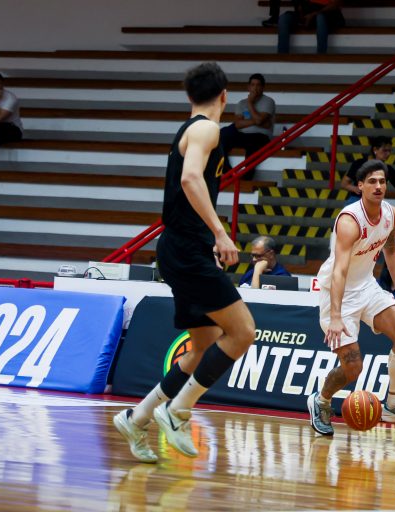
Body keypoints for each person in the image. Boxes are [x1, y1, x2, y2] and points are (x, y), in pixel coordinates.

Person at [113, 63, 256, 462]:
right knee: (243, 332)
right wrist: (220, 233)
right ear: (224, 95)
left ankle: (137, 417)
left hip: (180, 247)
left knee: (203, 344)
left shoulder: (189, 129)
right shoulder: (207, 129)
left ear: (189, 95)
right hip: (187, 248)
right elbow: (191, 179)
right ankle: (178, 411)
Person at [309, 159, 395, 436]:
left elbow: (391, 249)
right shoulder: (349, 221)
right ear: (360, 186)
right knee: (353, 369)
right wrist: (336, 317)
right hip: (338, 293)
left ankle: (394, 404)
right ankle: (321, 400)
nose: (378, 186)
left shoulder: (391, 214)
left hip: (367, 286)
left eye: (382, 181)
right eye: (372, 182)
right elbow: (339, 271)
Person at [219, 73, 275, 180]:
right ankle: (229, 173)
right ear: (248, 87)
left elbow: (258, 120)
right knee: (221, 135)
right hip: (243, 134)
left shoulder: (268, 102)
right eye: (253, 85)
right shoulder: (241, 103)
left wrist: (250, 103)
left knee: (253, 145)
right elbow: (238, 124)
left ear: (263, 87)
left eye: (258, 85)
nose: (255, 88)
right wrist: (259, 122)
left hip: (261, 136)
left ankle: (246, 179)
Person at [278, 0, 345, 54]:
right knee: (283, 18)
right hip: (307, 15)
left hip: (326, 14)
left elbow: (336, 4)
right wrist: (302, 16)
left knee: (320, 18)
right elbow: (299, 6)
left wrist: (314, 14)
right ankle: (282, 57)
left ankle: (321, 56)